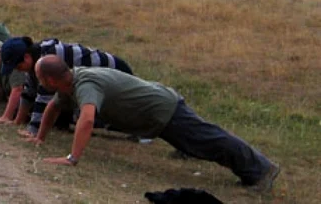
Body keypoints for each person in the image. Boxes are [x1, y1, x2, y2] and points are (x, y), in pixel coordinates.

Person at [30, 55, 280, 193]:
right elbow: (53, 107)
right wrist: (39, 137)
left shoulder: (85, 85)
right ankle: (253, 172)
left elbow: (87, 119)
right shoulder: (69, 84)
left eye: (40, 76)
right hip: (156, 115)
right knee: (203, 146)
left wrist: (73, 158)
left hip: (163, 109)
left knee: (211, 141)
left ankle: (262, 169)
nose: (38, 80)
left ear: (50, 79)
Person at [0, 37, 134, 137]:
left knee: (102, 115)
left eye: (18, 66)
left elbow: (44, 96)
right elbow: (29, 92)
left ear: (27, 57)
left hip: (117, 71)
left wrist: (33, 130)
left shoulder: (49, 57)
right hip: (95, 78)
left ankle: (135, 132)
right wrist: (17, 121)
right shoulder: (35, 60)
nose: (18, 70)